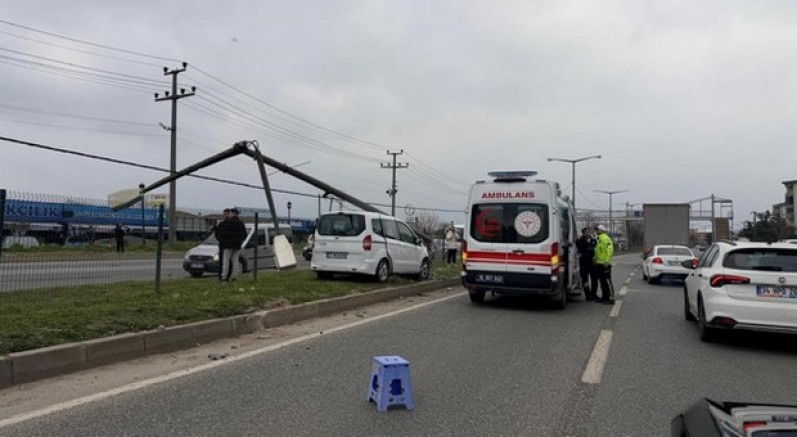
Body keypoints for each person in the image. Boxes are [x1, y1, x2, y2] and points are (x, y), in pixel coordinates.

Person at [216, 208, 248, 282]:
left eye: (230, 213)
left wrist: (223, 240)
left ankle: (224, 276)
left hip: (227, 245)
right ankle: (234, 276)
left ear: (233, 213)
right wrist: (240, 241)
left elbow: (222, 233)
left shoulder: (228, 223)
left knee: (226, 261)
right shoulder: (240, 223)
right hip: (237, 245)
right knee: (235, 261)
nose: (229, 214)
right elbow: (244, 234)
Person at [593, 224, 615, 304]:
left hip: (605, 264)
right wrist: (595, 258)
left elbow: (609, 250)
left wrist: (606, 261)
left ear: (602, 230)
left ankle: (610, 298)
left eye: (597, 229)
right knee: (602, 282)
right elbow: (598, 251)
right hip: (599, 264)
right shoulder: (598, 238)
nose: (596, 231)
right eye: (596, 230)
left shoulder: (605, 238)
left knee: (607, 281)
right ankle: (604, 297)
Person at [575, 227, 597, 300]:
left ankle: (593, 295)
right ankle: (587, 295)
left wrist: (587, 250)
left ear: (590, 232)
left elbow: (593, 249)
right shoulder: (579, 241)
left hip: (592, 263)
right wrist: (588, 250)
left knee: (594, 280)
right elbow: (582, 250)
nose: (587, 233)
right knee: (585, 280)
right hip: (584, 263)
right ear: (583, 233)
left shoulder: (594, 241)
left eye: (588, 232)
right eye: (585, 232)